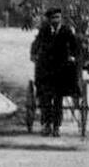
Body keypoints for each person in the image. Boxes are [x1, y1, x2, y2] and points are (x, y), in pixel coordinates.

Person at [30, 7, 81, 136]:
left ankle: (56, 126)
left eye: (58, 18)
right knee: (46, 100)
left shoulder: (66, 31)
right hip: (46, 69)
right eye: (53, 18)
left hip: (60, 70)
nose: (56, 20)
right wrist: (34, 54)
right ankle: (46, 124)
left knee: (58, 100)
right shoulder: (44, 31)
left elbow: (75, 45)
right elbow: (36, 43)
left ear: (61, 19)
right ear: (49, 20)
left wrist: (74, 56)